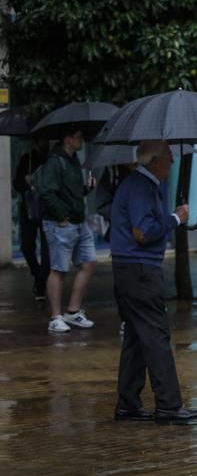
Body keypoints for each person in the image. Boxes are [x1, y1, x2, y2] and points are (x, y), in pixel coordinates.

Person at [110, 140, 197, 424]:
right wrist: (175, 219)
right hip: (139, 270)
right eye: (169, 158)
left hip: (131, 269)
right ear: (155, 162)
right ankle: (169, 405)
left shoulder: (143, 185)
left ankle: (128, 403)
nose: (172, 163)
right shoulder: (141, 186)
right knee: (156, 335)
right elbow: (142, 232)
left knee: (137, 338)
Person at [38, 126, 97, 334]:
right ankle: (55, 318)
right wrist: (62, 216)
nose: (82, 140)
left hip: (79, 222)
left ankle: (72, 311)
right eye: (79, 137)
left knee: (89, 263)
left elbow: (71, 192)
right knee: (58, 269)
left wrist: (86, 189)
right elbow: (47, 192)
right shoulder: (55, 162)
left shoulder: (73, 160)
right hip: (61, 224)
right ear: (68, 139)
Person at [14, 135, 50, 301]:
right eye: (42, 140)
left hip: (47, 209)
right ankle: (37, 274)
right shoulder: (26, 160)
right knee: (27, 246)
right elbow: (17, 184)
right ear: (35, 142)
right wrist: (25, 181)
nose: (45, 143)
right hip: (29, 209)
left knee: (46, 250)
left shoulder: (51, 160)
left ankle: (42, 285)